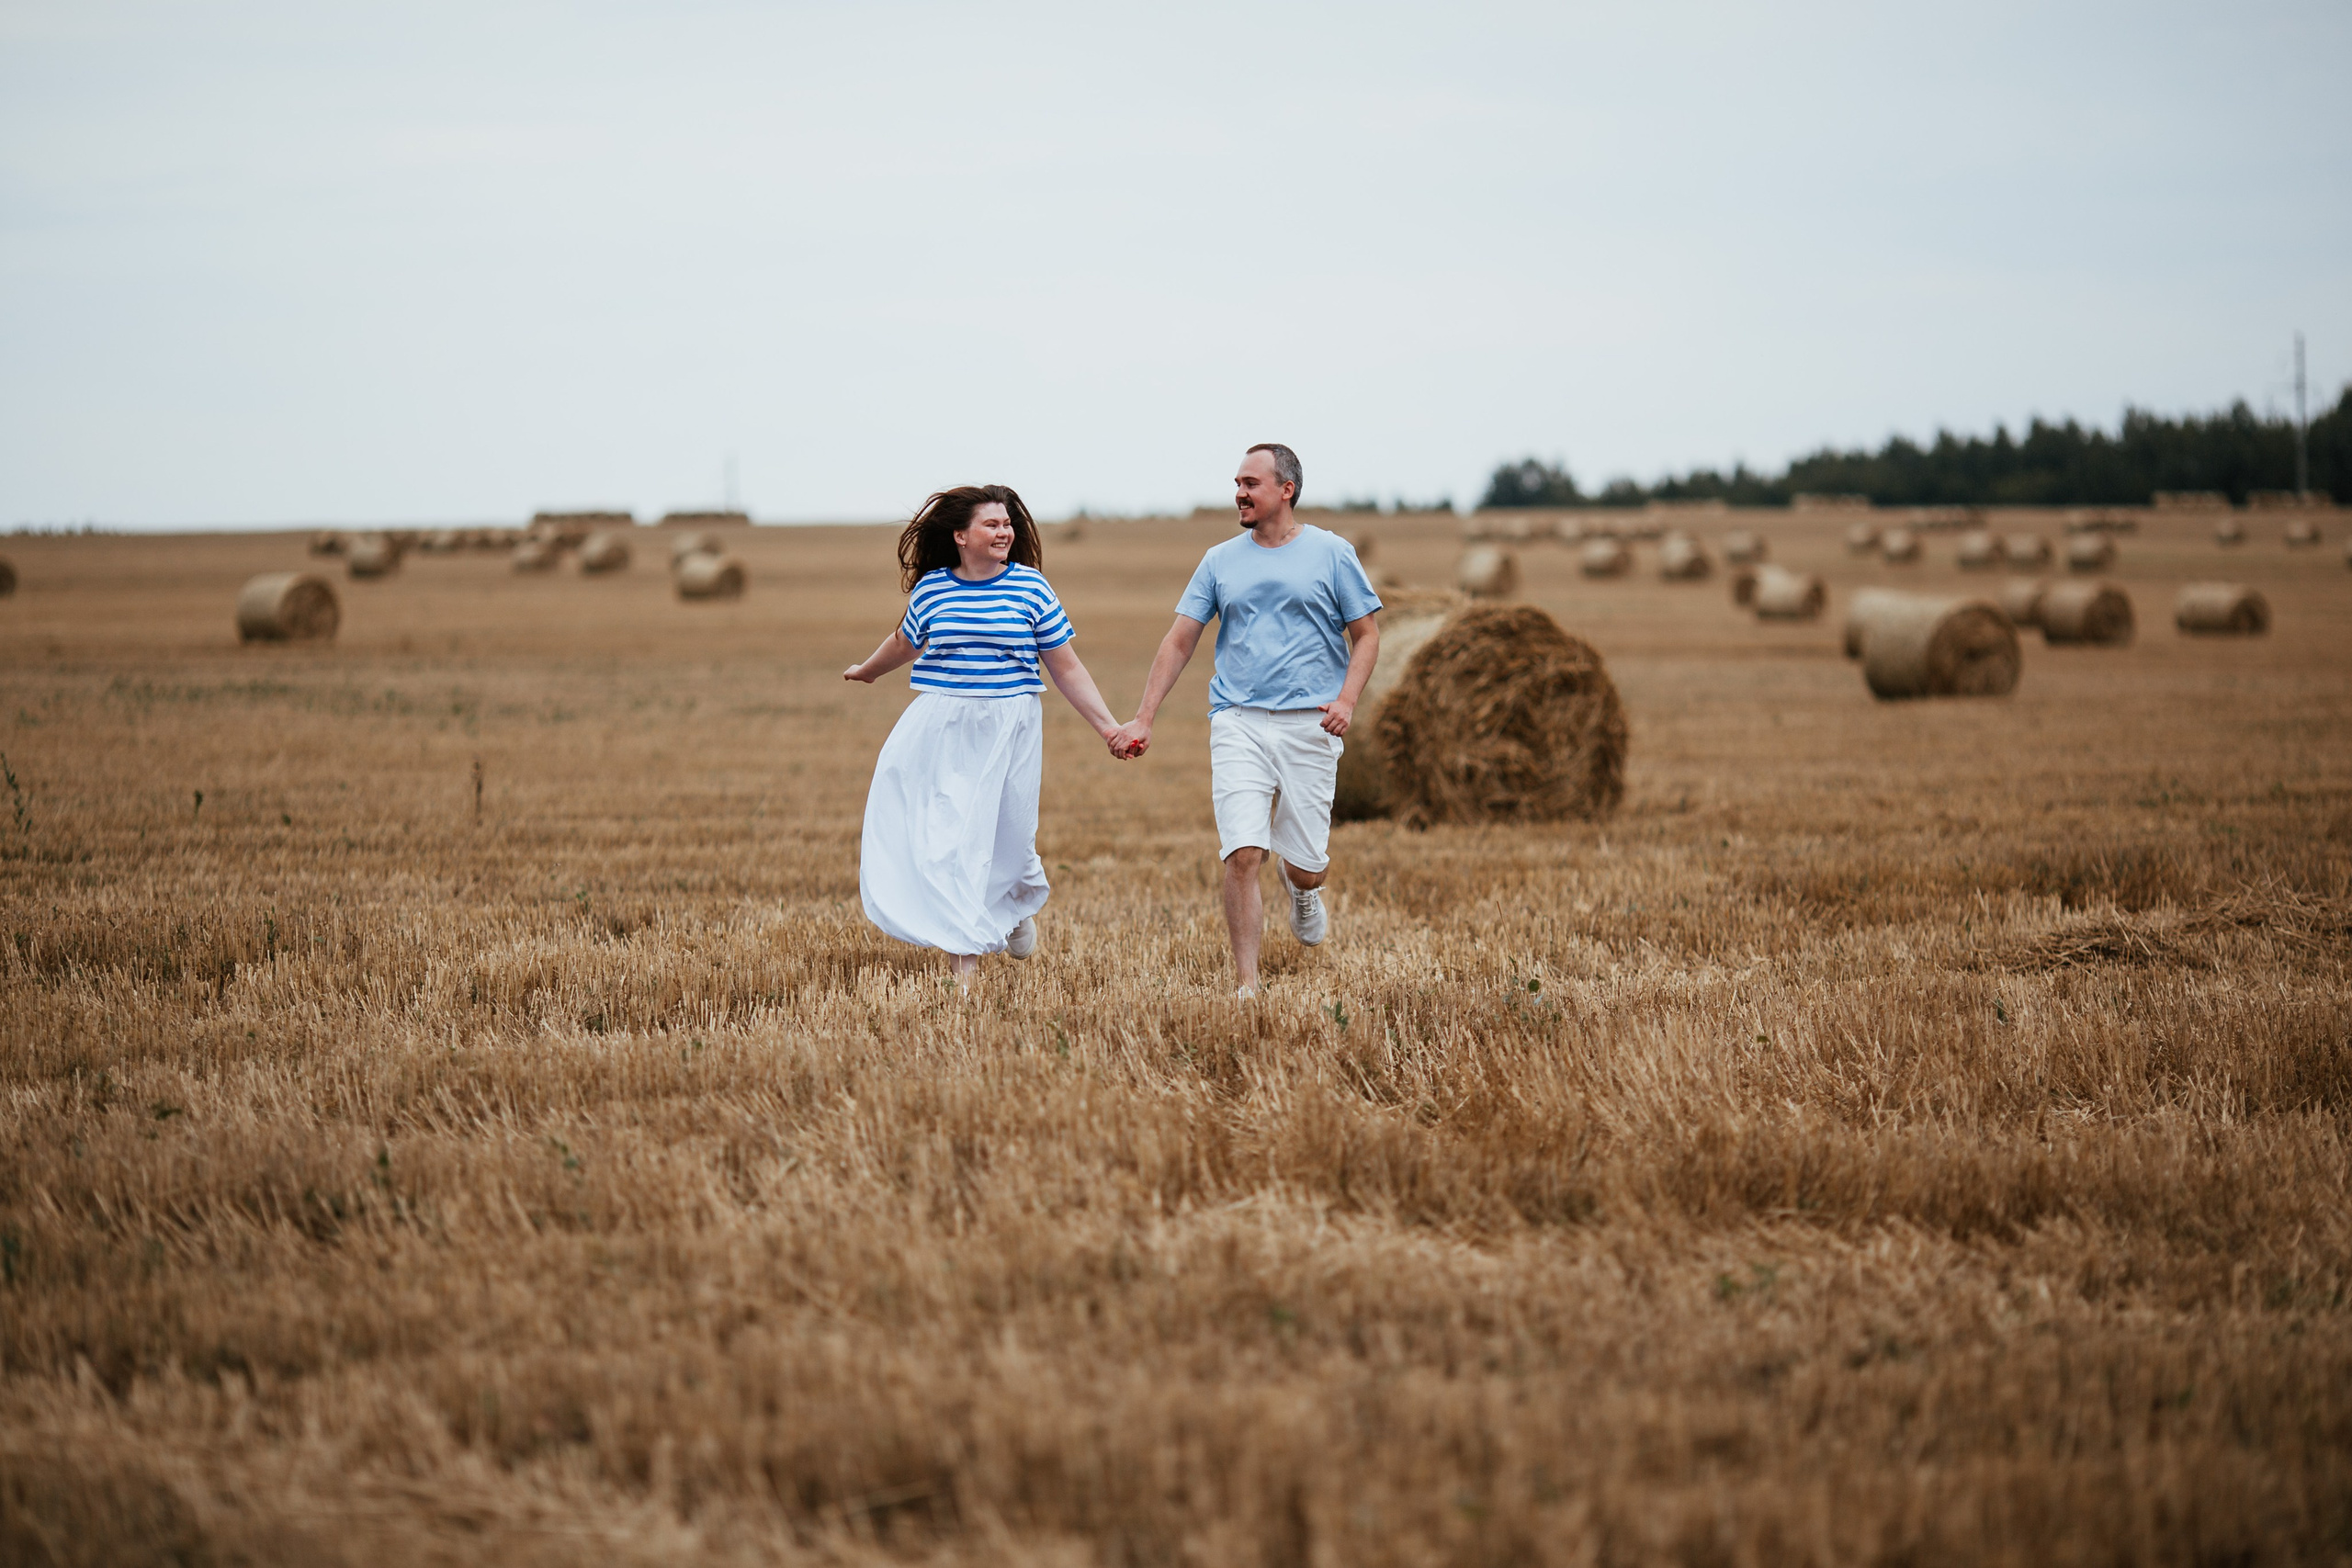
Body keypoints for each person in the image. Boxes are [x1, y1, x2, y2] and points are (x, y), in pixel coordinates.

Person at [1113, 445, 1381, 997]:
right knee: (1242, 853)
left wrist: (1347, 701)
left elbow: (1368, 636)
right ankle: (1246, 985)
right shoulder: (1219, 559)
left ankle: (1303, 888)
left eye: (1251, 482)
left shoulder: (1332, 553)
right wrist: (1144, 716)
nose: (1239, 491)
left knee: (1305, 865)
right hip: (1237, 719)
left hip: (1311, 722)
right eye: (1236, 482)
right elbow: (1180, 639)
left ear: (1286, 489)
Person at [844, 484, 1131, 988]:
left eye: (1007, 524)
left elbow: (1065, 668)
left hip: (1011, 726)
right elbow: (905, 641)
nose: (1005, 532)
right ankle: (964, 982)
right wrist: (868, 670)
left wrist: (1108, 726)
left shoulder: (1031, 589)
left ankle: (1016, 899)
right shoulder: (933, 589)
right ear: (960, 536)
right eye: (991, 525)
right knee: (954, 844)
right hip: (942, 728)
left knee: (1011, 838)